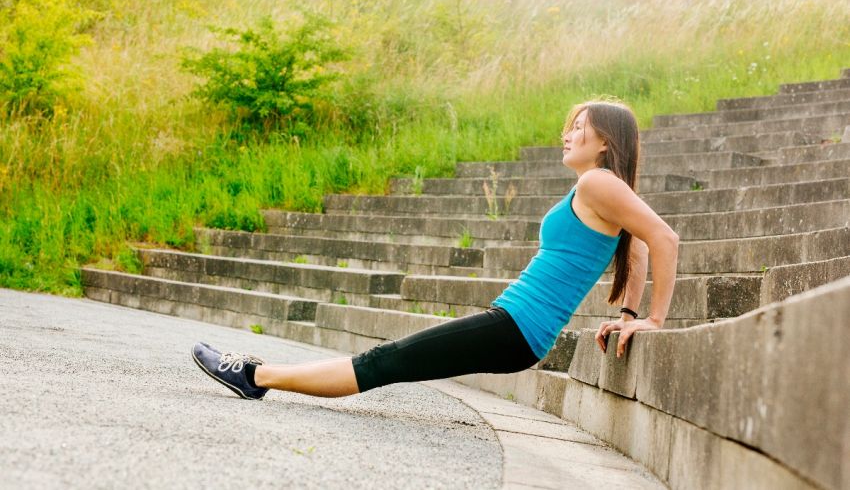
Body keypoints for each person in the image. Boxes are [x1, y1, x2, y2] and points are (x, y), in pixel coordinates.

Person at [190, 100, 679, 401]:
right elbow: (635, 251)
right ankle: (258, 373)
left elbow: (664, 239)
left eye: (579, 126)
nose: (567, 134)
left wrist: (651, 320)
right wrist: (630, 310)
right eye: (569, 126)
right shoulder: (603, 187)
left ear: (603, 142)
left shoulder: (597, 182)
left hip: (516, 329)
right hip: (513, 327)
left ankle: (254, 375)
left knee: (385, 362)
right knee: (390, 361)